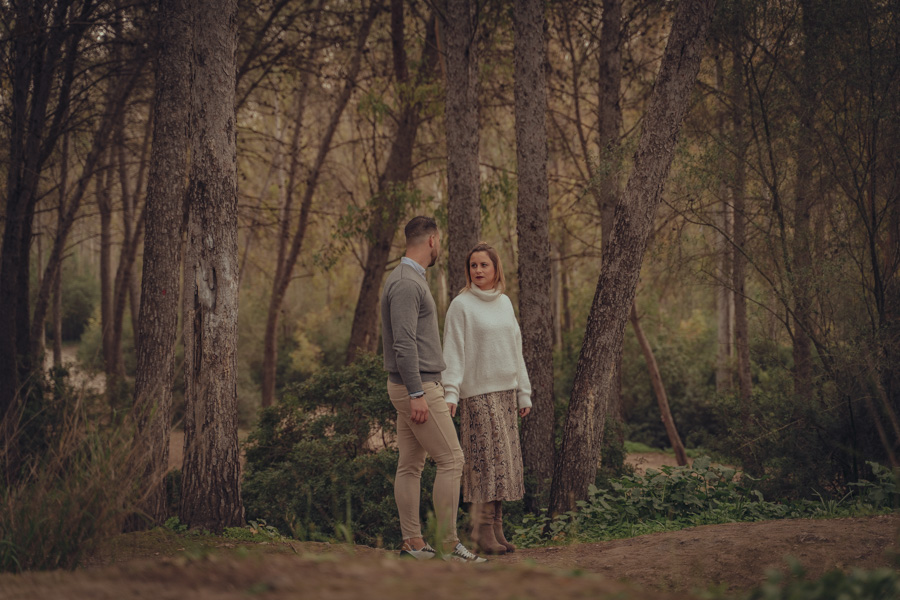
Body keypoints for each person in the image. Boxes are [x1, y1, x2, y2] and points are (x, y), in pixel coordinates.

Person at [381, 216, 486, 563]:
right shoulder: (408, 283)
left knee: (410, 464)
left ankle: (414, 544)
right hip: (418, 385)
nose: (439, 246)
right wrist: (416, 393)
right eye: (439, 241)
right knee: (452, 460)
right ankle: (448, 545)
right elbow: (404, 344)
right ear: (432, 240)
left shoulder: (405, 278)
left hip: (412, 385)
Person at [442, 242, 532, 555]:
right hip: (477, 393)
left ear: (495, 270)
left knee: (503, 464)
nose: (478, 271)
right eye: (473, 266)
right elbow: (452, 351)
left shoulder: (505, 303)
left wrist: (524, 391)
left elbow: (515, 349)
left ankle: (496, 527)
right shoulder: (461, 305)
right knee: (483, 463)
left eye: (484, 265)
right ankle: (479, 530)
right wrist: (450, 391)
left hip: (506, 393)